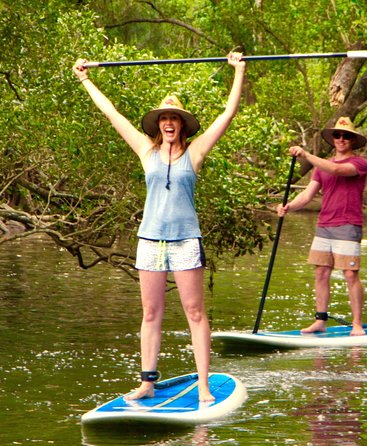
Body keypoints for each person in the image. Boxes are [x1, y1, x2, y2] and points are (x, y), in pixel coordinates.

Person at [72, 52, 246, 402]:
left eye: (174, 118)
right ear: (158, 124)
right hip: (150, 240)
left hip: (185, 240)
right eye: (164, 117)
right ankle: (147, 382)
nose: (169, 122)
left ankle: (205, 386)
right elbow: (112, 114)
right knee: (150, 312)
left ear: (182, 125)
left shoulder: (194, 154)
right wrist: (85, 79)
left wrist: (238, 71)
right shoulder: (144, 150)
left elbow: (227, 114)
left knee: (195, 312)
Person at [277, 117, 367, 336]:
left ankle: (357, 323)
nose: (341, 139)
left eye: (346, 136)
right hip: (324, 225)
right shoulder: (321, 167)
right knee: (321, 272)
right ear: (332, 139)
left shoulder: (359, 163)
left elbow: (338, 171)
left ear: (353, 140)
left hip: (348, 224)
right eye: (337, 135)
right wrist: (289, 206)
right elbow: (308, 194)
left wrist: (307, 156)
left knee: (350, 274)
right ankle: (320, 320)